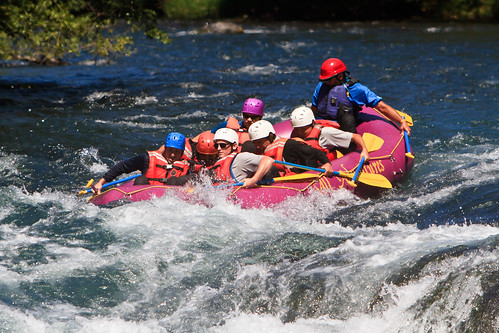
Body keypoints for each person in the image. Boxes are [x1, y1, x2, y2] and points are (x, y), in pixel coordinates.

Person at [311, 58, 411, 135]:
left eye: (328, 80)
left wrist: (402, 121)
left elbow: (381, 106)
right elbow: (314, 109)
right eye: (324, 80)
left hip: (340, 130)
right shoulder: (321, 86)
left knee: (347, 119)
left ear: (340, 76)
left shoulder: (357, 89)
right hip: (320, 125)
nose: (326, 83)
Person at [91, 132, 189, 194]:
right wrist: (100, 183)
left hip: (171, 201)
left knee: (173, 181)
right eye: (170, 151)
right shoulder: (147, 159)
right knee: (140, 180)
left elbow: (197, 179)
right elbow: (122, 167)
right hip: (145, 198)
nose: (172, 155)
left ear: (182, 153)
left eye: (177, 152)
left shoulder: (187, 165)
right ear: (165, 148)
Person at [248, 120, 334, 177]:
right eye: (255, 143)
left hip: (300, 178)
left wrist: (327, 163)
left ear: (270, 136)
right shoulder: (258, 150)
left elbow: (314, 151)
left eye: (259, 142)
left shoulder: (289, 145)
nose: (257, 146)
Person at [290, 106, 370, 162]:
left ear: (312, 123)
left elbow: (355, 137)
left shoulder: (326, 133)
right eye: (297, 129)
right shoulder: (296, 134)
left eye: (303, 129)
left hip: (328, 166)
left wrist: (364, 150)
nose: (299, 132)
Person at [210, 128, 279, 188]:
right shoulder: (217, 162)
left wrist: (253, 180)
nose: (219, 148)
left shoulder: (240, 158)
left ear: (234, 146)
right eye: (216, 145)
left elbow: (268, 160)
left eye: (223, 145)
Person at [193, 98, 265, 148]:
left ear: (260, 117)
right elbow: (208, 134)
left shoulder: (265, 132)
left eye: (253, 117)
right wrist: (192, 143)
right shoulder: (229, 125)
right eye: (246, 116)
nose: (249, 119)